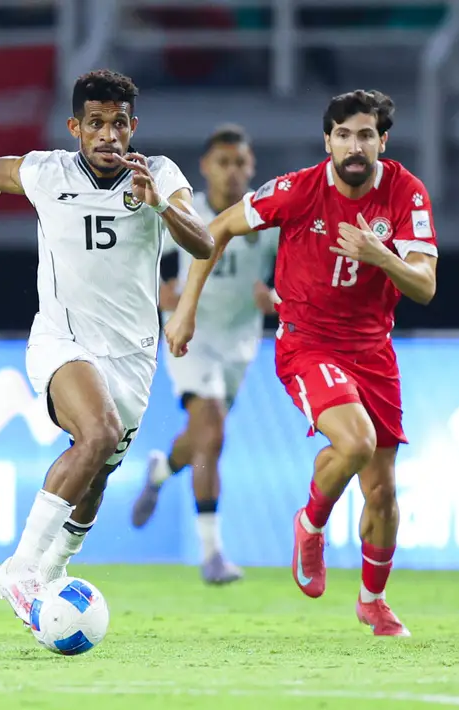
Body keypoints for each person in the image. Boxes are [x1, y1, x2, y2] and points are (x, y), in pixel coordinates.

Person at [165, 90, 438, 637]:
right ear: (328, 141)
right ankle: (310, 524)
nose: (354, 146)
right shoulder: (297, 190)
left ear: (382, 142)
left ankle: (372, 601)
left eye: (366, 135)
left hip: (374, 351)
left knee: (382, 491)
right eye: (343, 135)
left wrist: (381, 256)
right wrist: (185, 311)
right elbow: (214, 230)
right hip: (308, 343)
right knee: (355, 443)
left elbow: (426, 286)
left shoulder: (406, 194)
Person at [0, 69, 214, 627]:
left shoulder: (159, 175)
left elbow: (204, 241)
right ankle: (20, 570)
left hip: (133, 356)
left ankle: (52, 572)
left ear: (132, 126)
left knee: (97, 474)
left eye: (119, 123)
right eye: (96, 123)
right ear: (76, 127)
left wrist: (161, 206)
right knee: (96, 432)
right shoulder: (50, 172)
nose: (108, 135)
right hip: (62, 339)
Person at [130, 124, 279, 585]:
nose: (232, 171)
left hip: (240, 342)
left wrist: (276, 295)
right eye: (223, 162)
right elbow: (135, 257)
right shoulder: (184, 210)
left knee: (201, 438)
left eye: (240, 163)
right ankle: (212, 553)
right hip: (189, 335)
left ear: (250, 167)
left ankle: (162, 469)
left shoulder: (263, 215)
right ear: (205, 167)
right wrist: (159, 292)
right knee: (212, 433)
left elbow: (295, 265)